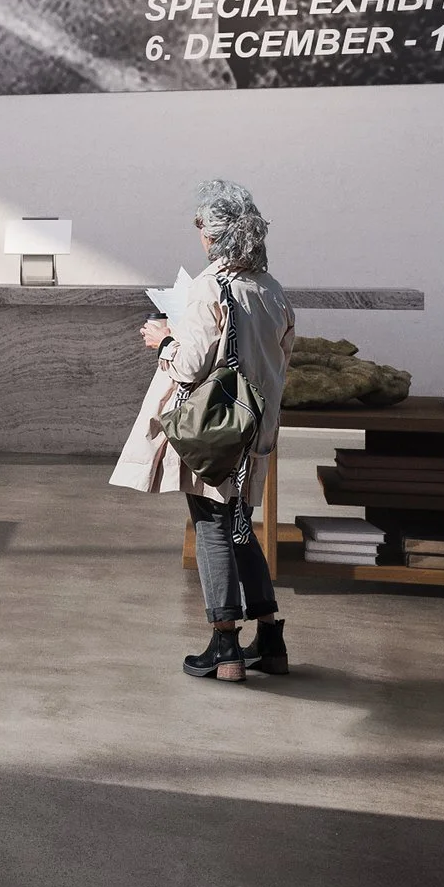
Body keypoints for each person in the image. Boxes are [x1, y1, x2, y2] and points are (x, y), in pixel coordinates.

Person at [110, 179, 296, 683]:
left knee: (212, 528)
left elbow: (190, 367)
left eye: (202, 227)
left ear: (216, 235)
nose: (199, 236)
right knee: (240, 528)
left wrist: (163, 339)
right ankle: (271, 640)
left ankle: (225, 648)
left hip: (214, 430)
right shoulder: (270, 289)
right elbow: (280, 359)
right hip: (255, 429)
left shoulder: (212, 287)